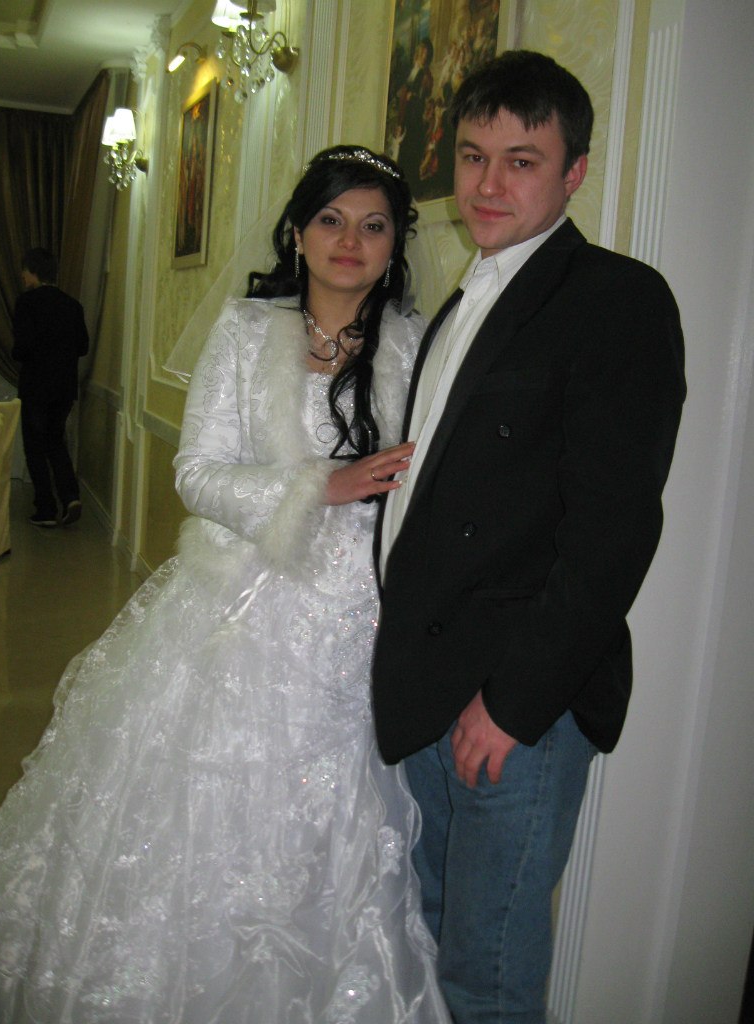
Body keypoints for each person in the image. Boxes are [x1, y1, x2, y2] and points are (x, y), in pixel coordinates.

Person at [0, 146, 450, 1024]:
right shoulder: (245, 331)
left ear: (397, 243)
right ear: (297, 232)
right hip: (242, 610)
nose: (350, 241)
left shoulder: (417, 345)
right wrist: (321, 486)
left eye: (374, 225)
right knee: (212, 819)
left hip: (363, 627)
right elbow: (195, 474)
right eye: (330, 220)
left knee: (336, 833)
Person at [372, 51, 686, 1023]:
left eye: (522, 161)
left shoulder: (618, 299)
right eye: (473, 156)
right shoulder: (464, 300)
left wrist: (510, 707)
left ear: (574, 172)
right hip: (431, 690)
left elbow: (614, 531)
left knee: (488, 980)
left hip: (517, 711)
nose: (488, 184)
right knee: (428, 946)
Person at [12, 248, 89, 527]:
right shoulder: (72, 305)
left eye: (25, 270)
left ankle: (45, 508)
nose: (23, 276)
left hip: (35, 386)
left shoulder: (26, 303)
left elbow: (22, 348)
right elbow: (83, 346)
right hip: (64, 387)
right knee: (55, 441)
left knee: (34, 446)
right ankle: (70, 496)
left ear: (33, 271)